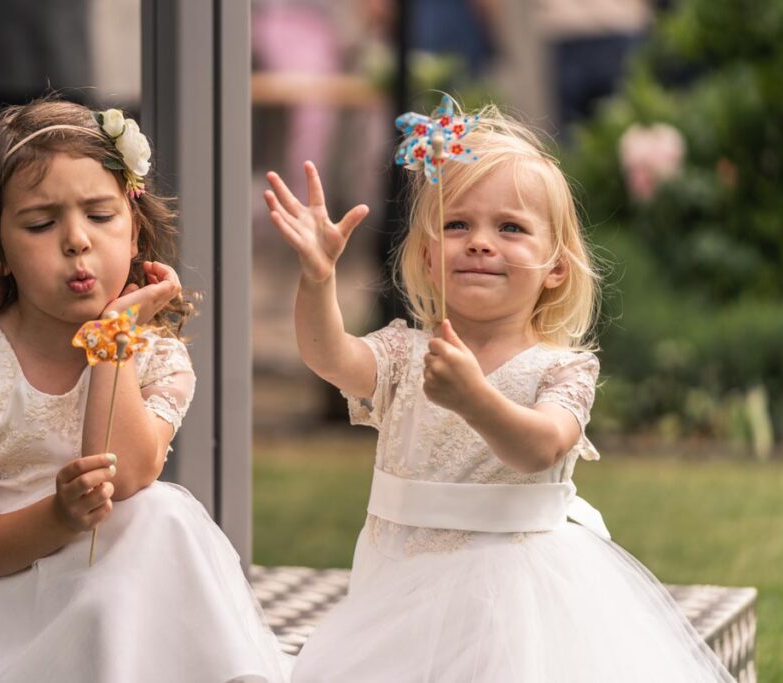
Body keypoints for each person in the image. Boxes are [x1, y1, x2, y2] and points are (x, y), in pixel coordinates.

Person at [263, 103, 734, 681]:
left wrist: (473, 399)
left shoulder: (561, 368)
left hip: (515, 599)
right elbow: (328, 355)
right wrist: (317, 278)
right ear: (430, 258)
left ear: (556, 267)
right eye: (457, 224)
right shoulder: (406, 354)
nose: (481, 243)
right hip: (396, 591)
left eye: (510, 227)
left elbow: (542, 446)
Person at [0, 99, 289, 683]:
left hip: (114, 594)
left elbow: (126, 477)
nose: (77, 242)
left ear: (135, 227)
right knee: (132, 557)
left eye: (100, 216)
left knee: (161, 514)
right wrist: (58, 515)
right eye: (42, 224)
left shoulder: (156, 357)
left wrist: (112, 342)